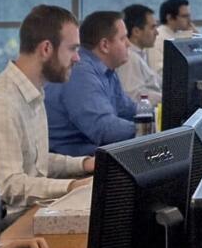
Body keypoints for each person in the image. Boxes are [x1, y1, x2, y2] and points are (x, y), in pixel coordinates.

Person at [0, 4, 94, 224]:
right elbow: (6, 185)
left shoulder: (32, 93)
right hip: (1, 229)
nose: (78, 58)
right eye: (73, 49)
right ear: (46, 49)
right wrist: (71, 186)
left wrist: (84, 165)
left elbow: (33, 160)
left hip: (25, 215)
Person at [46, 10, 136, 157]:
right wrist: (149, 129)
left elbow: (127, 109)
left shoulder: (107, 71)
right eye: (123, 38)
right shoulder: (80, 72)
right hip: (72, 167)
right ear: (105, 45)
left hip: (92, 159)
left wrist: (162, 120)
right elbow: (104, 129)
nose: (129, 44)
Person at [117, 3, 162, 105]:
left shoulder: (140, 54)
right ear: (136, 31)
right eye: (152, 27)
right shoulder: (129, 58)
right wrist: (165, 98)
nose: (157, 32)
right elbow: (131, 96)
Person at [146, 0, 199, 75]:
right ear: (170, 17)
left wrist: (196, 36)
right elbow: (158, 71)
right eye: (185, 16)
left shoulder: (177, 34)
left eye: (189, 16)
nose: (190, 20)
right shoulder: (158, 37)